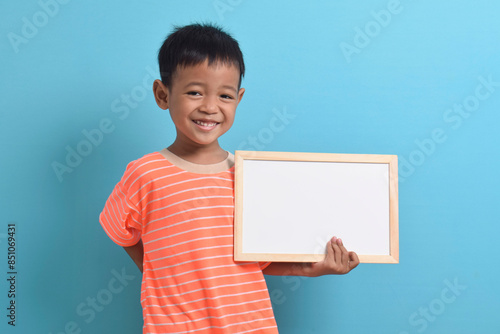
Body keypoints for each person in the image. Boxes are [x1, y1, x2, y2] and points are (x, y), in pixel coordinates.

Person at [99, 23, 360, 334]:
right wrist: (157, 270)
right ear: (162, 94)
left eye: (224, 95)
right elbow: (120, 232)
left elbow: (258, 259)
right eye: (194, 92)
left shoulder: (250, 177)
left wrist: (312, 268)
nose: (210, 107)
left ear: (239, 98)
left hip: (250, 326)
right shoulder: (145, 174)